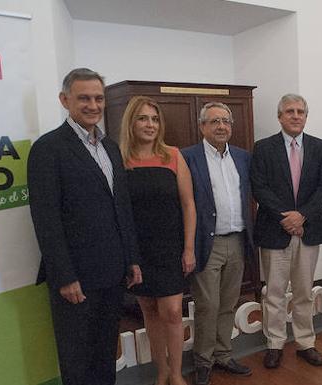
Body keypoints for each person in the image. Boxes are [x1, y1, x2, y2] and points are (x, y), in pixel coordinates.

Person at [27, 68, 142, 385]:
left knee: (105, 354)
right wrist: (64, 276)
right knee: (77, 361)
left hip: (113, 273)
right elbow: (46, 220)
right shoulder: (48, 149)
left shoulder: (111, 148)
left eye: (98, 98)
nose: (93, 105)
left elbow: (122, 209)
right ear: (65, 100)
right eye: (84, 98)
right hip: (76, 280)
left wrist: (131, 259)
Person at [119, 96, 196, 385]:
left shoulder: (173, 156)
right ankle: (161, 372)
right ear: (131, 122)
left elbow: (189, 205)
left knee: (173, 312)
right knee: (149, 312)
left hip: (170, 247)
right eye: (143, 118)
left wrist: (189, 248)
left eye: (154, 119)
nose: (150, 124)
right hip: (138, 249)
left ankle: (176, 374)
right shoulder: (120, 159)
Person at [251, 94, 322, 369]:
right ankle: (274, 343)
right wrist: (285, 217)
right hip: (275, 230)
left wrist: (302, 215)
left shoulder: (321, 147)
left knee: (304, 291)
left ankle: (305, 342)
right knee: (273, 292)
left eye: (300, 111)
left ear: (306, 116)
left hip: (308, 230)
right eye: (290, 111)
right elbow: (259, 187)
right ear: (280, 116)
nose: (296, 116)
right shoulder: (263, 148)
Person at [182, 102, 253, 385]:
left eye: (225, 121)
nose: (221, 126)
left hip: (237, 240)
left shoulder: (242, 156)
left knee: (228, 303)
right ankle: (203, 360)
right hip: (206, 243)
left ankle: (223, 354)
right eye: (214, 122)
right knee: (207, 305)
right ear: (202, 126)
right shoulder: (188, 157)